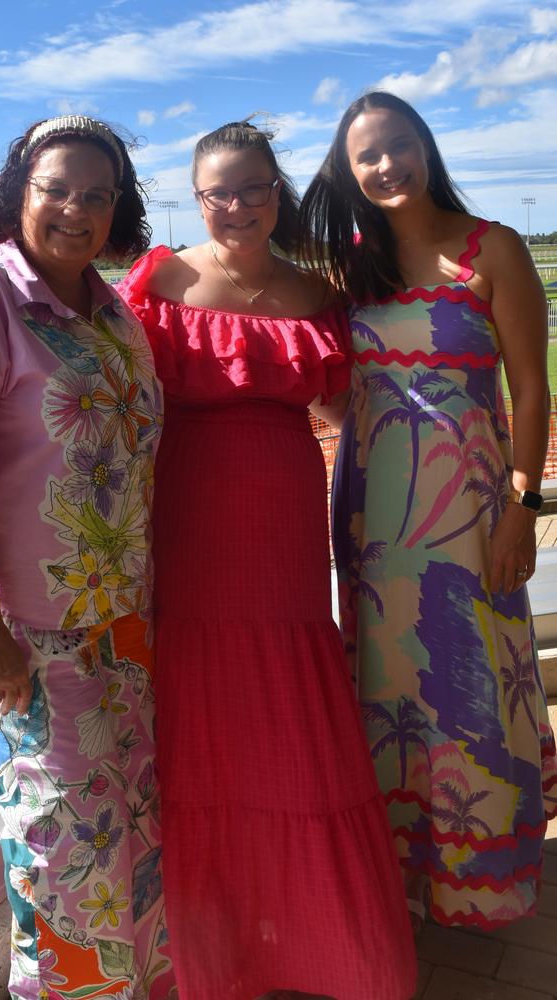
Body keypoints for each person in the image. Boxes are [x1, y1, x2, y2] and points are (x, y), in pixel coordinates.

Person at [119, 120, 416, 1000]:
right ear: (197, 195)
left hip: (283, 515)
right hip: (185, 511)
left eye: (253, 188)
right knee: (198, 697)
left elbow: (344, 408)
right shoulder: (160, 277)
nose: (237, 206)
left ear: (276, 191)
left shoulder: (315, 291)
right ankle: (221, 950)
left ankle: (323, 945)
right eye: (219, 191)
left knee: (288, 695)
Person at [0, 116, 176, 999]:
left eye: (97, 195)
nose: (75, 208)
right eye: (55, 187)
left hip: (115, 619)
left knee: (129, 820)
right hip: (20, 625)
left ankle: (130, 984)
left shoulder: (111, 311)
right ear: (18, 191)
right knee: (61, 832)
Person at [299, 90, 557, 931]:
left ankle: (479, 876)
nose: (384, 166)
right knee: (386, 678)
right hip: (372, 514)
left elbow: (531, 387)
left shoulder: (497, 249)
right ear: (348, 172)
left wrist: (524, 506)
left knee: (471, 676)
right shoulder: (349, 268)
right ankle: (403, 875)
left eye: (397, 145)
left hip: (471, 511)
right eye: (365, 156)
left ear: (426, 146)